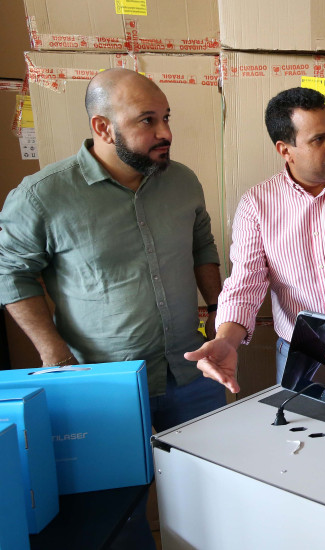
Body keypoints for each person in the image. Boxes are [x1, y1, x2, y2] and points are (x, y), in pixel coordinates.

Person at [0, 68, 227, 549]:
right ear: (103, 127)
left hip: (191, 370)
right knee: (117, 514)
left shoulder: (182, 181)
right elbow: (11, 274)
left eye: (166, 117)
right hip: (104, 385)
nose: (165, 132)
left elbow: (202, 246)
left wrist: (219, 314)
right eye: (147, 120)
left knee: (215, 495)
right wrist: (53, 354)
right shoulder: (42, 196)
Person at [185, 88, 325, 393]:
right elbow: (245, 283)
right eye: (318, 139)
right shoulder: (257, 205)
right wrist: (226, 340)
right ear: (285, 150)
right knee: (297, 425)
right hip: (299, 354)